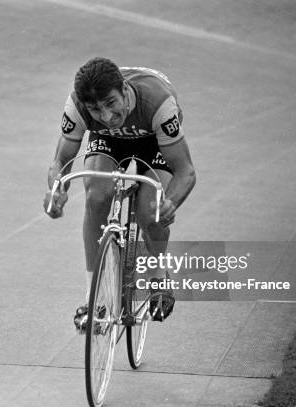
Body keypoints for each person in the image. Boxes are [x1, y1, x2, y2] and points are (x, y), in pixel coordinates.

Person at [43, 57, 196, 331]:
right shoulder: (77, 106)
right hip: (109, 142)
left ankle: (158, 277)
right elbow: (61, 162)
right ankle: (94, 301)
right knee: (96, 196)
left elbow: (185, 171)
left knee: (151, 211)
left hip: (153, 139)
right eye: (95, 109)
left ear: (125, 90)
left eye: (111, 103)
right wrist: (57, 191)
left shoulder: (159, 104)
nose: (106, 116)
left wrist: (169, 204)